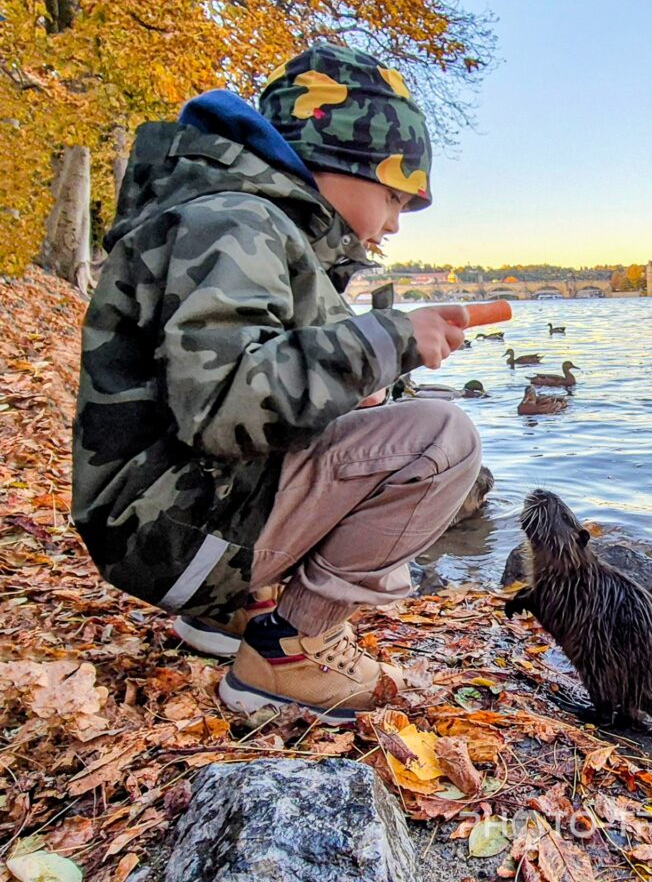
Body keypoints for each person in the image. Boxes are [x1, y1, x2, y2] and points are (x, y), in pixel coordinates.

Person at [72, 43, 482, 721]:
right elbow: (224, 406)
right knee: (443, 439)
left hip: (167, 526)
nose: (393, 223)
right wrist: (387, 340)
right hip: (166, 538)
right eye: (393, 196)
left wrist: (359, 383)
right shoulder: (237, 222)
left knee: (393, 421)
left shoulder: (248, 220)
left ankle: (233, 612)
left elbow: (233, 382)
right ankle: (290, 651)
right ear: (341, 163)